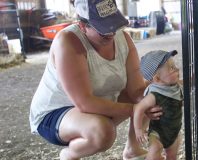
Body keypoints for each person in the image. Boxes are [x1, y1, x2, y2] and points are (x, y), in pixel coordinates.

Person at [29, 0, 162, 159]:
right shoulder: (68, 41)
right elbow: (85, 103)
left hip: (96, 103)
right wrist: (136, 109)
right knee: (103, 132)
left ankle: (133, 149)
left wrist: (161, 96)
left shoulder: (123, 39)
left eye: (113, 24)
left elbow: (137, 90)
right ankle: (69, 154)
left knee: (151, 93)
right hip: (56, 112)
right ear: (83, 25)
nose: (111, 33)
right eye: (103, 28)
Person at [134, 50, 183, 160]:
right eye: (172, 68)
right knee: (153, 155)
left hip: (174, 131)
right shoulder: (154, 94)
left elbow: (191, 82)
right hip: (158, 134)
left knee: (172, 156)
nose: (177, 69)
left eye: (174, 66)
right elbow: (138, 109)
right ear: (157, 78)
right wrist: (138, 129)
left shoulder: (175, 86)